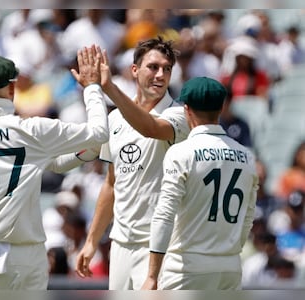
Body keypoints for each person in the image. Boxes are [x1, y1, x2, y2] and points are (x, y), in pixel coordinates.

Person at [0, 49, 108, 290]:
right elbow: (98, 133)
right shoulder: (32, 130)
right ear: (12, 89)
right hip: (28, 254)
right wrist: (93, 87)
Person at [75, 37, 190, 290]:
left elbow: (149, 128)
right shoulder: (115, 119)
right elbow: (111, 184)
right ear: (134, 70)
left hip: (160, 248)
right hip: (120, 245)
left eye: (167, 68)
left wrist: (109, 88)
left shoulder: (178, 115)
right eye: (153, 67)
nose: (160, 74)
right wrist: (92, 241)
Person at [141, 77, 258, 290]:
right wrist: (228, 252)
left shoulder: (181, 152)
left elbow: (164, 214)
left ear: (186, 109)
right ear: (221, 108)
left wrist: (151, 275)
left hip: (186, 269)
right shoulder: (247, 156)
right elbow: (248, 217)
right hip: (229, 267)